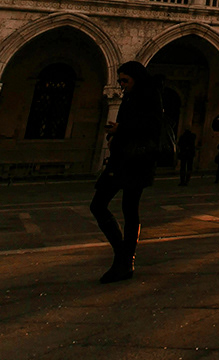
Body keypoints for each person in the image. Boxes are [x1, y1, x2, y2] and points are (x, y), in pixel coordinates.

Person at [91, 60, 163, 284]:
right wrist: (115, 134)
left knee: (126, 209)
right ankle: (123, 256)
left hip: (137, 161)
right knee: (101, 205)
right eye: (120, 81)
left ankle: (124, 260)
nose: (122, 84)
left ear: (136, 78)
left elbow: (152, 127)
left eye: (125, 80)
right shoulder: (131, 96)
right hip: (123, 159)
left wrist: (120, 129)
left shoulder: (150, 96)